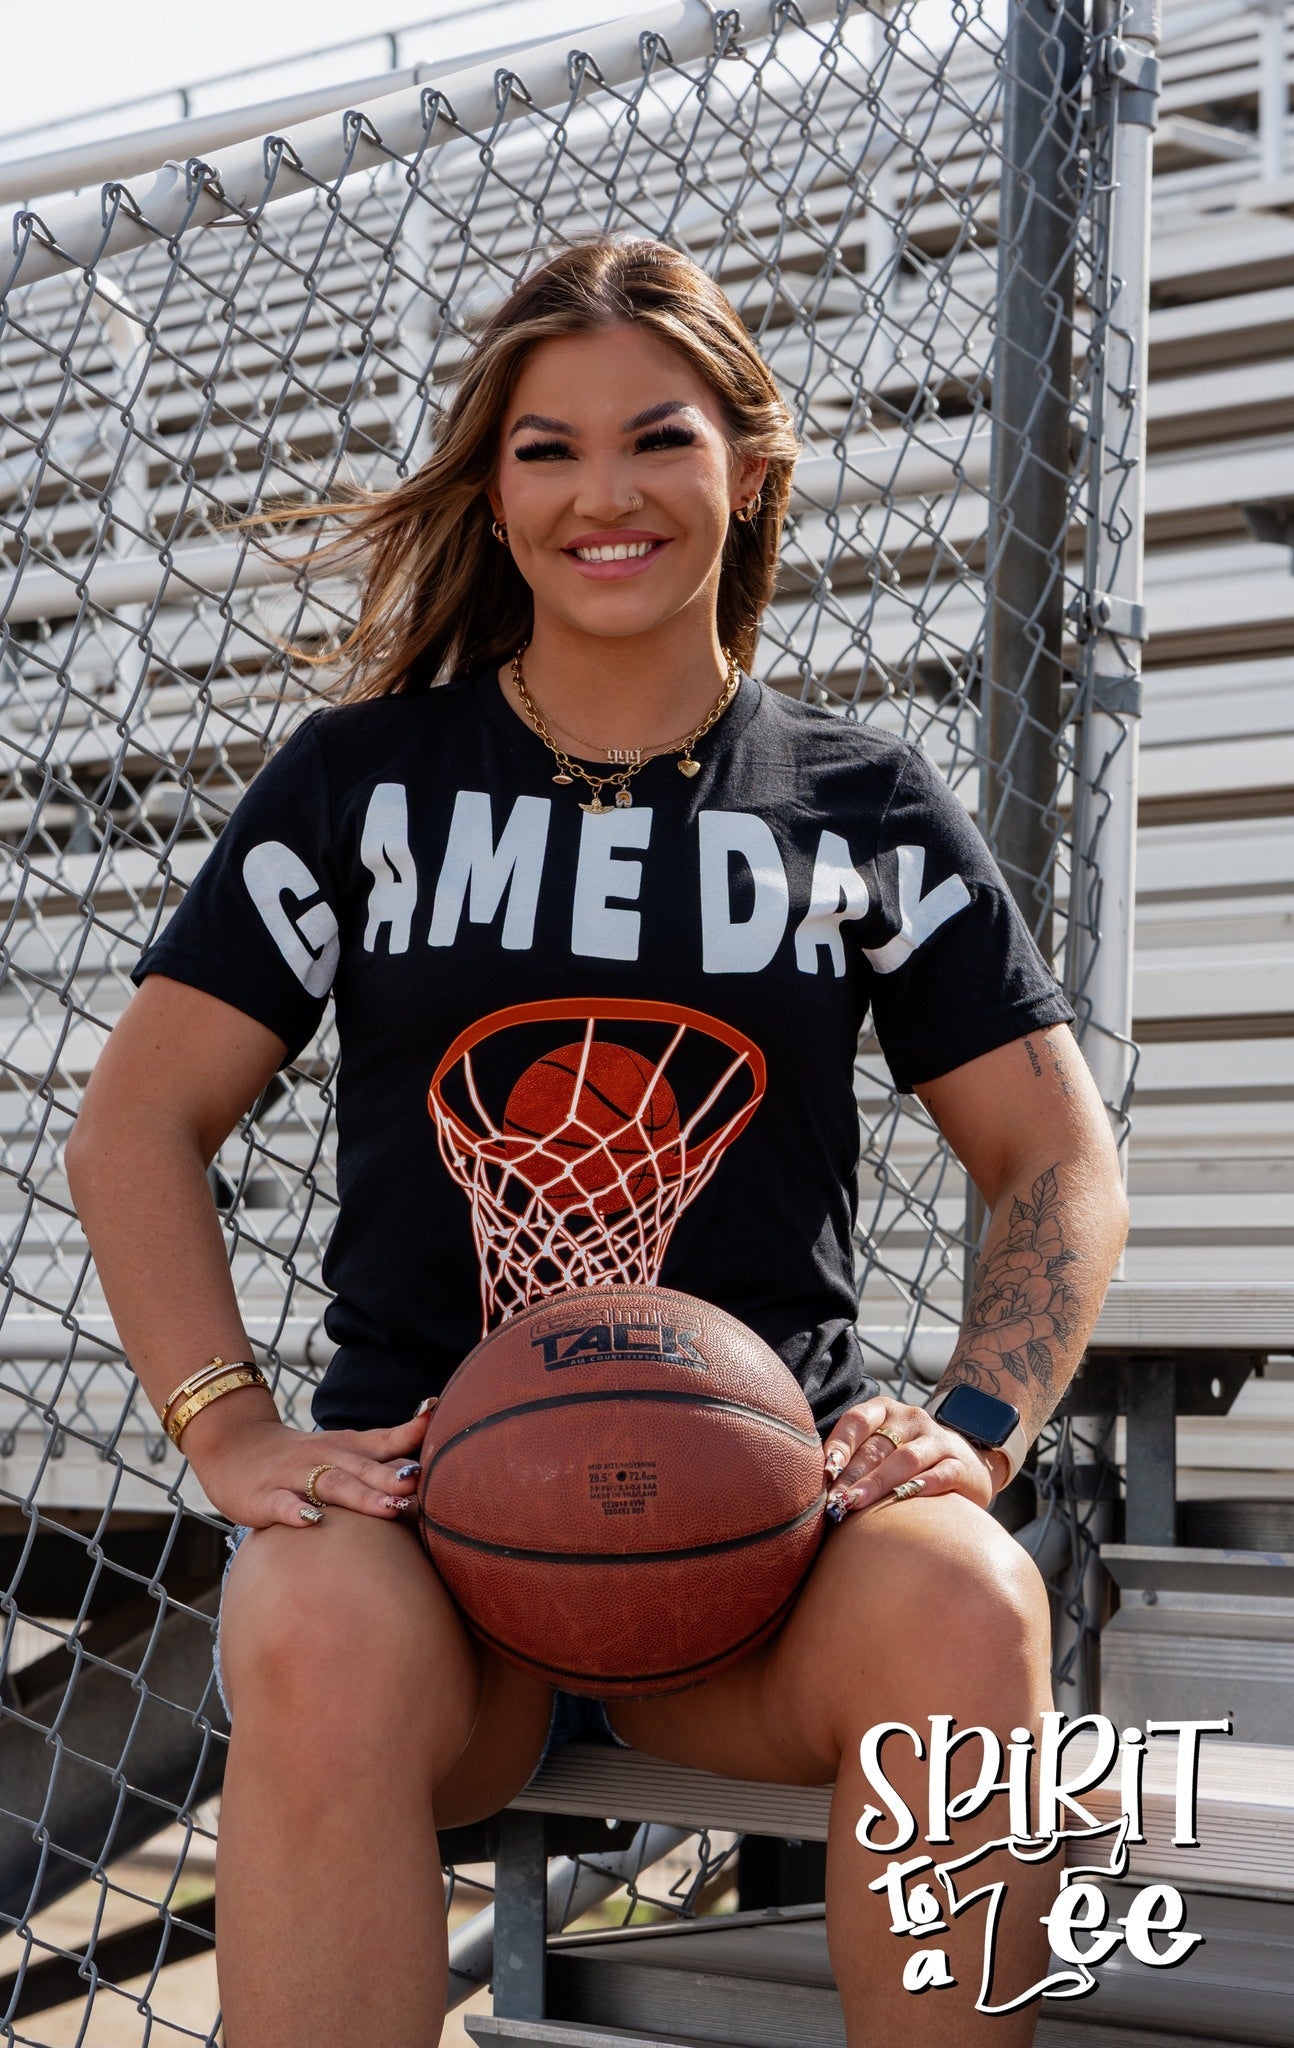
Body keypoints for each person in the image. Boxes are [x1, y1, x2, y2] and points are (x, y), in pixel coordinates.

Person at [66, 236, 1128, 2048]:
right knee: (307, 1613)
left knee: (966, 1593)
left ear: (747, 465)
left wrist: (970, 1425)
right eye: (543, 448)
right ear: (494, 487)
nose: (602, 494)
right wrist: (228, 1426)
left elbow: (1051, 1158)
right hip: (432, 1546)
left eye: (656, 437)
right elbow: (136, 1119)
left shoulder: (858, 805)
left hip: (763, 1546)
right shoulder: (364, 783)